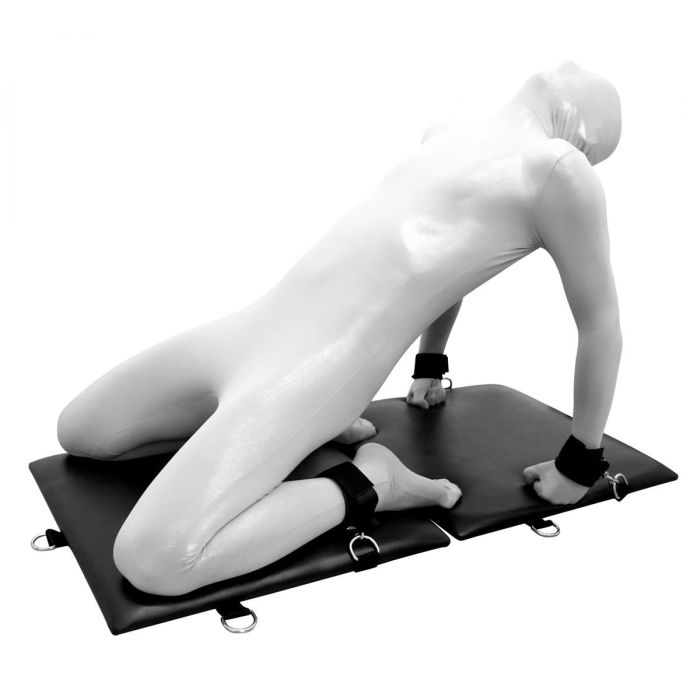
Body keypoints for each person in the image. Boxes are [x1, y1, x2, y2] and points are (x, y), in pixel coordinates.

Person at [56, 60, 623, 596]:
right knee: (83, 432)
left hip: (317, 369)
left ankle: (373, 483)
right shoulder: (446, 132)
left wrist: (579, 465)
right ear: (588, 131)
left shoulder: (557, 168)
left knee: (154, 561)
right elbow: (447, 262)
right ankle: (287, 435)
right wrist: (430, 365)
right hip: (252, 330)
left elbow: (600, 324)